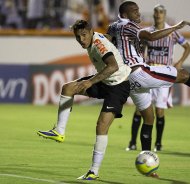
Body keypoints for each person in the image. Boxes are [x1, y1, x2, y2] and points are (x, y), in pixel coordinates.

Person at [107, 1, 190, 153]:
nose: (138, 13)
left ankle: (146, 158)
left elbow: (108, 41)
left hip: (127, 79)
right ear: (125, 14)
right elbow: (151, 37)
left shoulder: (113, 27)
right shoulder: (129, 26)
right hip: (140, 72)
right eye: (134, 11)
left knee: (149, 118)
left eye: (138, 10)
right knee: (184, 75)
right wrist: (175, 27)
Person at [37, 19, 132, 180]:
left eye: (84, 35)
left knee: (101, 126)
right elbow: (107, 38)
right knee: (68, 88)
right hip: (105, 81)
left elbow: (113, 66)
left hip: (118, 85)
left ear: (91, 32)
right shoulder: (96, 39)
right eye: (77, 37)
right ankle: (59, 131)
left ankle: (94, 171)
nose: (81, 39)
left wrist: (90, 81)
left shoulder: (98, 45)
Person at [126, 4, 190, 152]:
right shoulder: (148, 32)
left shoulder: (173, 33)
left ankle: (158, 143)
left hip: (164, 75)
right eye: (156, 13)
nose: (157, 15)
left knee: (159, 111)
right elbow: (140, 47)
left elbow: (188, 47)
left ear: (164, 15)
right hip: (148, 74)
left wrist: (180, 62)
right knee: (139, 109)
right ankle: (132, 142)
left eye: (160, 13)